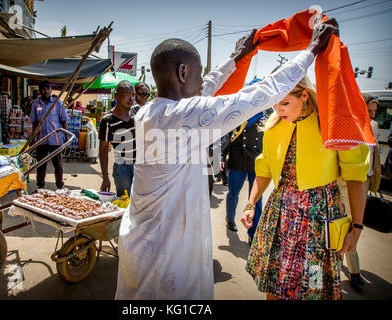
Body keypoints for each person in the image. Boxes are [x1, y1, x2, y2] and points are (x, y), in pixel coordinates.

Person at [115, 19, 339, 300]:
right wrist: (310, 51)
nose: (202, 81)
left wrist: (235, 59)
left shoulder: (150, 112)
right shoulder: (182, 116)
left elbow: (206, 89)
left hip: (142, 244)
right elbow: (255, 96)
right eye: (197, 74)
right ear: (183, 72)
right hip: (166, 259)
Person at [241, 71, 370, 299]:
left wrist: (357, 227)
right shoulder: (273, 127)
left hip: (318, 222)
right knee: (275, 283)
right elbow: (264, 170)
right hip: (280, 217)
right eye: (274, 105)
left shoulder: (333, 124)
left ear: (305, 96)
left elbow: (356, 177)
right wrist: (250, 204)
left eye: (285, 103)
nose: (278, 111)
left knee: (314, 285)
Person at [341, 93, 381, 290]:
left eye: (374, 111)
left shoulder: (372, 127)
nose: (372, 115)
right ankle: (354, 273)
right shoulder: (349, 125)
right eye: (369, 110)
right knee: (347, 227)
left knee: (354, 227)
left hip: (364, 182)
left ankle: (350, 268)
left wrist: (374, 181)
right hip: (346, 183)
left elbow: (375, 157)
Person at [221, 109, 264, 239]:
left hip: (257, 162)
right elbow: (227, 135)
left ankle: (253, 232)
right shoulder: (238, 112)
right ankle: (230, 218)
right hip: (238, 160)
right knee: (233, 194)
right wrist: (222, 156)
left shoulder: (266, 113)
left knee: (256, 199)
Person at [98, 80, 138, 197]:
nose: (131, 98)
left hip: (140, 165)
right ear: (116, 96)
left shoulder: (137, 112)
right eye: (127, 95)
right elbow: (103, 150)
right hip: (122, 168)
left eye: (132, 95)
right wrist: (105, 177)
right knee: (124, 201)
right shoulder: (108, 120)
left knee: (141, 202)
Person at [29, 80, 68, 190]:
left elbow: (64, 120)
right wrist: (33, 139)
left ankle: (60, 186)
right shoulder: (36, 104)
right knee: (41, 165)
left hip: (56, 140)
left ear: (51, 90)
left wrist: (66, 136)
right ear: (40, 91)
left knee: (58, 165)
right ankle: (40, 186)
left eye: (48, 89)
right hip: (42, 140)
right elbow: (34, 122)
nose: (46, 91)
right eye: (43, 89)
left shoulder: (57, 103)